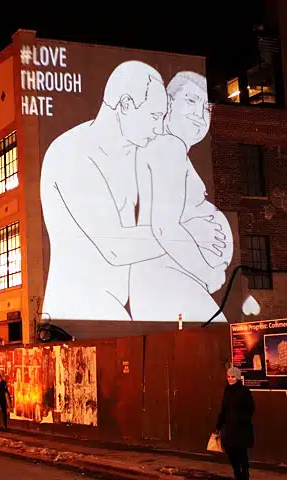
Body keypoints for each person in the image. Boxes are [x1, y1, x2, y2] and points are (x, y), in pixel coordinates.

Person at [40, 61, 223, 321]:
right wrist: (190, 232)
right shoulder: (72, 154)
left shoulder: (135, 152)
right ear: (125, 105)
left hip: (116, 309)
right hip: (78, 309)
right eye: (154, 116)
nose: (158, 128)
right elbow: (116, 247)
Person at [131, 71, 232, 322]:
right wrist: (208, 273)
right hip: (167, 278)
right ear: (168, 102)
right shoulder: (169, 147)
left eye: (206, 108)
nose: (200, 114)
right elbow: (164, 227)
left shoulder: (167, 149)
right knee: (221, 339)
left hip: (163, 279)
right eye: (191, 100)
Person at [216, 367, 254, 480]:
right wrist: (218, 425)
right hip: (229, 427)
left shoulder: (244, 391)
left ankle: (245, 475)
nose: (230, 379)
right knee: (230, 451)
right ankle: (237, 473)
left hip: (241, 428)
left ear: (237, 378)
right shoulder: (227, 391)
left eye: (233, 377)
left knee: (241, 453)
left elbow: (250, 409)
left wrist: (241, 420)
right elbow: (223, 409)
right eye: (228, 377)